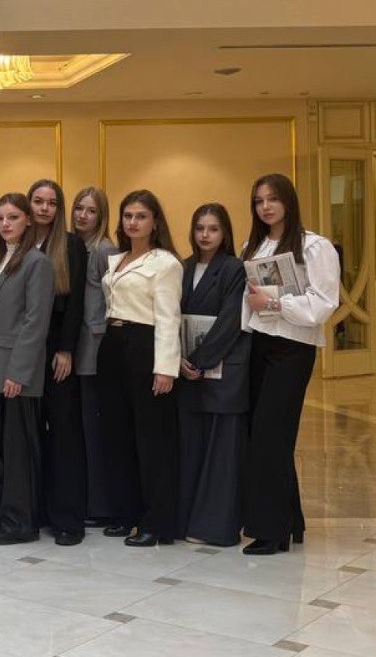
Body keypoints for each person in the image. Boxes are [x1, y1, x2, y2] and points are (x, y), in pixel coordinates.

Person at [240, 173, 340, 555]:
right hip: (259, 344)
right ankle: (290, 520)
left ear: (288, 201)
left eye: (273, 199)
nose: (265, 207)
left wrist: (276, 303)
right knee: (266, 435)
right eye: (258, 201)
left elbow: (323, 304)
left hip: (293, 348)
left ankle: (272, 532)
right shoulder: (253, 245)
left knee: (271, 435)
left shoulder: (314, 247)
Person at [98, 190, 183, 547]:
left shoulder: (165, 263)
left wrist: (165, 369)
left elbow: (169, 318)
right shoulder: (117, 259)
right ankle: (127, 513)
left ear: (155, 222)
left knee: (152, 440)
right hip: (113, 344)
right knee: (118, 435)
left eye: (141, 216)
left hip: (145, 346)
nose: (133, 222)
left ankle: (157, 522)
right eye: (128, 215)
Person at [0, 194, 54, 546]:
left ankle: (20, 523)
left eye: (13, 217)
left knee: (17, 452)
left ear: (28, 220)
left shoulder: (37, 262)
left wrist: (18, 373)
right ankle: (1, 512)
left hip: (18, 373)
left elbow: (35, 322)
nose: (5, 224)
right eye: (0, 218)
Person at [177, 203, 250, 547]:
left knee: (221, 454)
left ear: (225, 233)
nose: (205, 235)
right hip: (187, 371)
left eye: (213, 229)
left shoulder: (235, 269)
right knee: (190, 449)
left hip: (222, 370)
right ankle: (186, 521)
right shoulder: (183, 266)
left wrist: (199, 360)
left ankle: (216, 528)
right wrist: (179, 359)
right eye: (199, 228)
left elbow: (231, 320)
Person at [29, 180, 88, 546]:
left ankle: (68, 519)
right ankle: (35, 511)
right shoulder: (18, 241)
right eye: (38, 201)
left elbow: (77, 301)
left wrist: (66, 349)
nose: (44, 208)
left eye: (51, 203)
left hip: (57, 351)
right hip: (25, 351)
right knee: (30, 433)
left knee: (63, 433)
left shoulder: (71, 245)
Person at [71, 186, 117, 527]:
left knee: (95, 429)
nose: (83, 216)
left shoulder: (104, 249)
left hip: (94, 347)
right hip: (76, 346)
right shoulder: (72, 246)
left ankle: (101, 504)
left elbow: (113, 301)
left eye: (90, 210)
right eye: (79, 208)